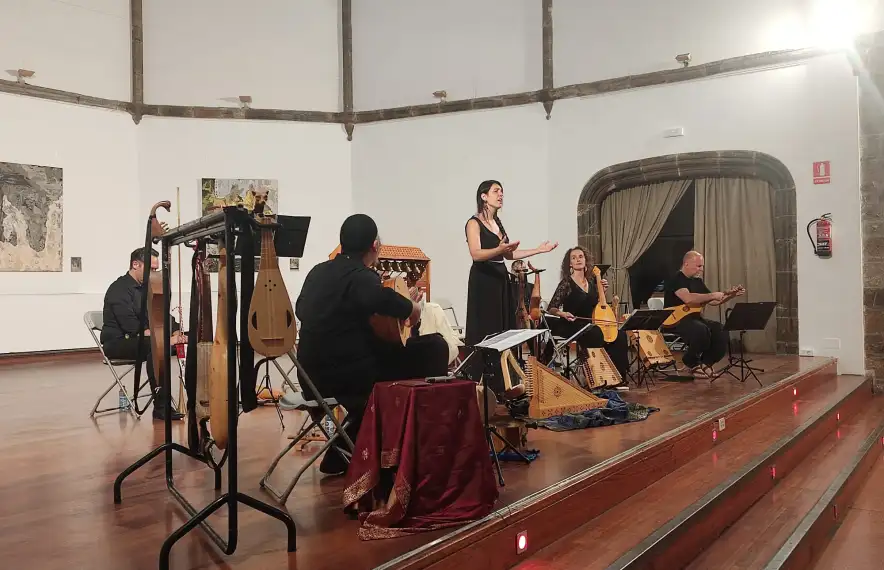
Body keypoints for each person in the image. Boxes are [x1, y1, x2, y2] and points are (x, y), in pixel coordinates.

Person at [296, 214, 450, 476]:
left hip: (309, 376)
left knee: (388, 359)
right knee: (435, 347)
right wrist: (411, 307)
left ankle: (342, 451)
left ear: (341, 243)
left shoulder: (317, 272)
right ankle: (424, 449)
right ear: (375, 247)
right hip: (347, 378)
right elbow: (378, 296)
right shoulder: (361, 277)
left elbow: (303, 309)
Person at [463, 180, 558, 374]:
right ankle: (483, 375)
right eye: (496, 191)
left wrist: (539, 250)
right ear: (484, 196)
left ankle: (504, 376)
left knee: (502, 327)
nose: (501, 195)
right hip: (484, 279)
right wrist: (498, 248)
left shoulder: (498, 224)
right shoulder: (473, 223)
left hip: (500, 278)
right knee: (487, 326)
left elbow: (508, 255)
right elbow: (476, 253)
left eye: (502, 192)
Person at [101, 247, 186, 421]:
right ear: (135, 265)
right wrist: (168, 339)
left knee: (190, 340)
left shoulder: (148, 288)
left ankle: (195, 399)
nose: (154, 273)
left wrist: (177, 331)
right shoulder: (118, 289)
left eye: (156, 269)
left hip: (146, 339)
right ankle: (161, 407)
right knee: (155, 348)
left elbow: (162, 316)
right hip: (119, 342)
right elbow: (132, 328)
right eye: (151, 269)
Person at [546, 246, 630, 381]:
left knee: (619, 335)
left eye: (581, 256)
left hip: (590, 323)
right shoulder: (566, 283)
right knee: (596, 333)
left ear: (586, 260)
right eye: (574, 258)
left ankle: (618, 377)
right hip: (571, 324)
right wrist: (563, 313)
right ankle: (598, 376)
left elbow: (596, 306)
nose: (578, 260)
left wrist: (603, 291)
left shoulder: (592, 282)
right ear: (570, 264)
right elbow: (552, 308)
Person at [663, 251, 744, 379]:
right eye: (699, 266)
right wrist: (712, 295)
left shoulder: (698, 282)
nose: (701, 269)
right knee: (700, 330)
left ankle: (707, 363)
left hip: (694, 318)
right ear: (686, 264)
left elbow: (715, 301)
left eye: (702, 266)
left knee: (721, 329)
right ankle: (692, 362)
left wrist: (730, 295)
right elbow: (688, 298)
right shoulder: (675, 279)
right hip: (675, 320)